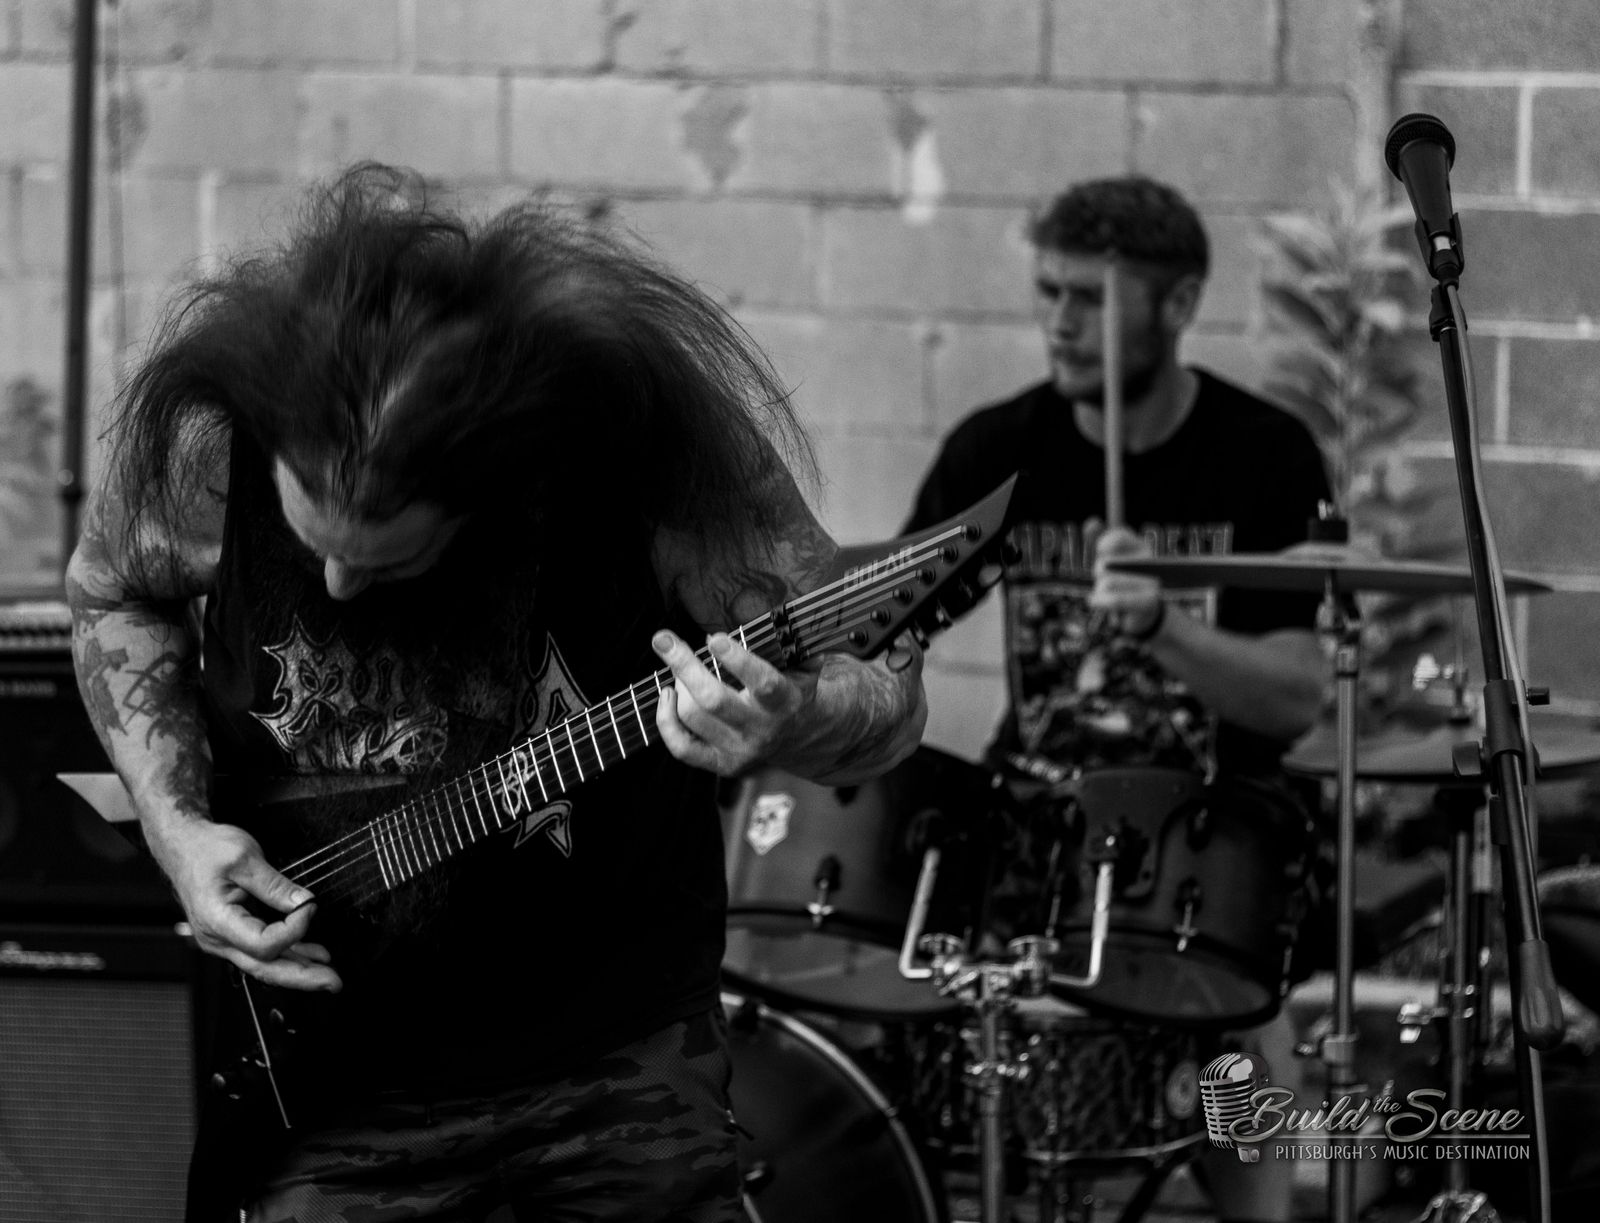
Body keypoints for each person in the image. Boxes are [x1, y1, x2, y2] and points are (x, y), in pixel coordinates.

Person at [65, 164, 926, 1223]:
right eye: (308, 536)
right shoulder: (216, 446)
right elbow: (111, 591)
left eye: (386, 561)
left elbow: (886, 687)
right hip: (326, 1074)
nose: (335, 583)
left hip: (611, 1060)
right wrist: (176, 825)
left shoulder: (641, 460)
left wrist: (797, 717)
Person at [903, 176, 1332, 1222]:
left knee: (1247, 1036)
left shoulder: (1264, 456)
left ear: (1178, 304)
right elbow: (893, 632)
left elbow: (1296, 697)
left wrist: (1164, 627)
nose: (1057, 321)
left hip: (1207, 836)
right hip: (1037, 834)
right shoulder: (999, 452)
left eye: (1088, 299)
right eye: (1047, 291)